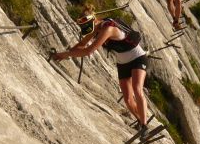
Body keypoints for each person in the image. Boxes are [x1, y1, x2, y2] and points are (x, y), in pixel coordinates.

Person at [51, 8, 151, 136]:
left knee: (137, 89)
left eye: (86, 26)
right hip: (122, 63)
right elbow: (82, 44)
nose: (87, 29)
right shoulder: (96, 28)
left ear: (93, 21)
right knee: (128, 100)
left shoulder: (108, 28)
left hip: (137, 58)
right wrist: (65, 54)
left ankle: (144, 126)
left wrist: (65, 55)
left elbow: (88, 51)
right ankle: (140, 120)